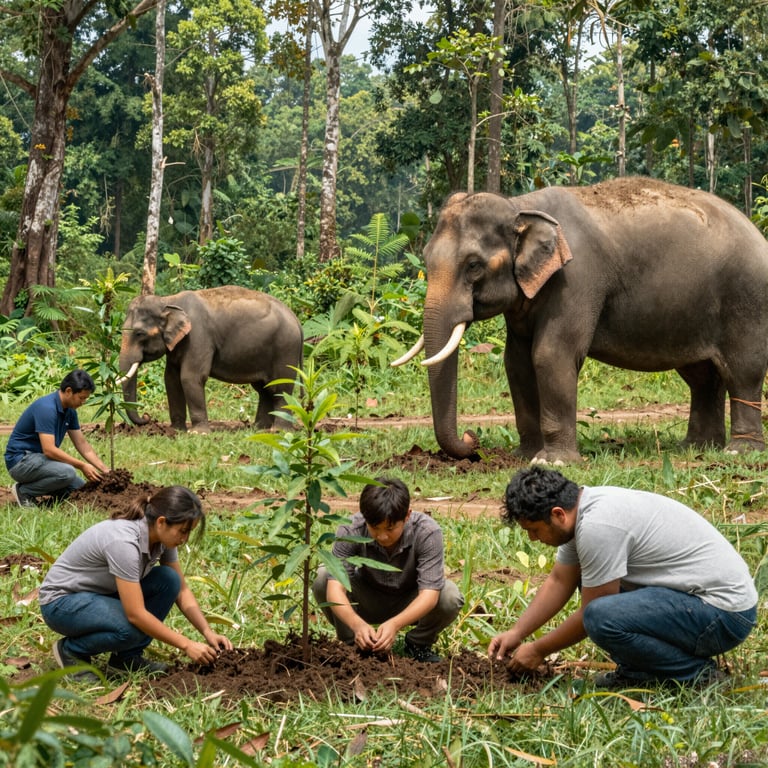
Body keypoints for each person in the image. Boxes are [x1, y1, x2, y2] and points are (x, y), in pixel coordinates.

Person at [488, 467, 757, 689]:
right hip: (696, 602)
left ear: (557, 514)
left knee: (600, 615)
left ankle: (697, 675)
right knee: (590, 582)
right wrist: (517, 632)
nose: (532, 538)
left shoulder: (597, 526)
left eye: (533, 530)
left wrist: (537, 650)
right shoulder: (581, 511)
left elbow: (591, 616)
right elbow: (560, 581)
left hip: (723, 613)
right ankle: (640, 672)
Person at [39, 485, 233, 682]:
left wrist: (208, 632)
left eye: (189, 532)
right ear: (161, 522)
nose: (185, 539)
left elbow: (181, 590)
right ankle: (72, 651)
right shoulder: (124, 542)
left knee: (169, 579)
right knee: (131, 628)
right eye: (183, 531)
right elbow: (136, 614)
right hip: (61, 604)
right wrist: (186, 645)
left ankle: (126, 658)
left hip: (99, 595)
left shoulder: (162, 538)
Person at [312, 477, 464, 663]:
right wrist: (356, 624)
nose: (382, 536)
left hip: (410, 600)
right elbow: (335, 589)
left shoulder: (427, 532)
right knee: (322, 578)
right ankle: (351, 645)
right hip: (366, 598)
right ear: (364, 516)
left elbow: (429, 595)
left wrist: (395, 624)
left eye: (391, 528)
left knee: (449, 595)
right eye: (374, 528)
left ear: (407, 516)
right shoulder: (351, 529)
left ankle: (418, 644)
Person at [5, 369, 110, 508]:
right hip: (21, 462)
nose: (83, 402)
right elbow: (49, 450)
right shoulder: (47, 408)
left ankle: (47, 492)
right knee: (67, 473)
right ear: (68, 391)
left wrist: (105, 470)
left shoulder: (70, 411)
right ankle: (24, 491)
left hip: (40, 460)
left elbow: (82, 444)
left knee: (80, 489)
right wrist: (82, 465)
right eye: (81, 398)